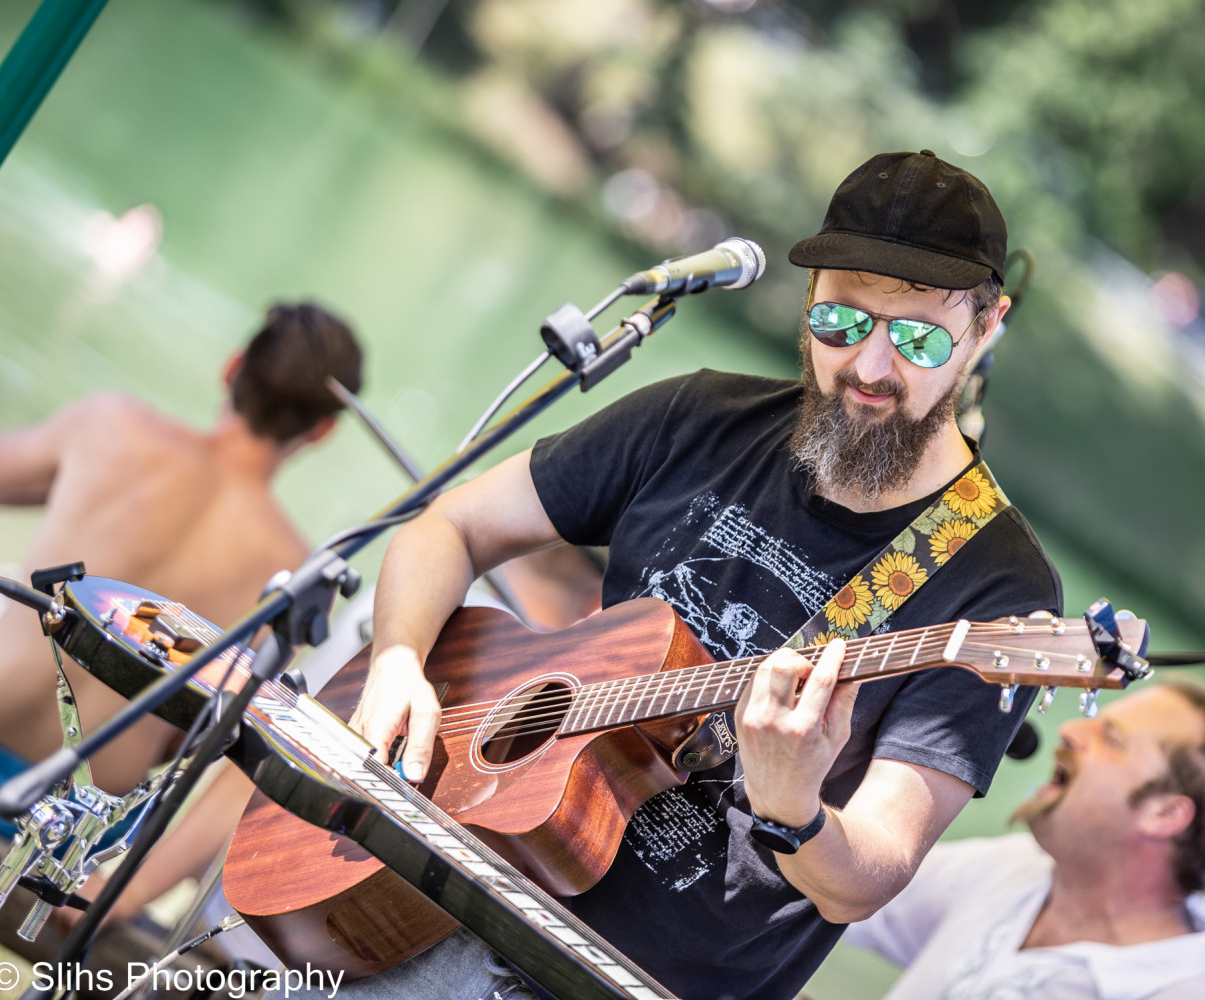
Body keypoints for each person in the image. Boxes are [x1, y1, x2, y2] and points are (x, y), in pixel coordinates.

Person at [341, 149, 1062, 1000]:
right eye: (842, 323)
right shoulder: (696, 416)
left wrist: (793, 806)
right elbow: (449, 525)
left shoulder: (998, 589)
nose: (870, 368)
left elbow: (870, 873)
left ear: (986, 325)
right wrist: (397, 660)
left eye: (915, 338)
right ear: (808, 298)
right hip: (458, 889)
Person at [0, 301, 364, 920]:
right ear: (323, 429)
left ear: (233, 366)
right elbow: (236, 751)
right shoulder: (291, 577)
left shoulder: (111, 427)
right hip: (75, 835)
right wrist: (129, 892)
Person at [846, 682, 1205, 1000]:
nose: (1071, 730)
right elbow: (834, 892)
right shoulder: (1020, 867)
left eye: (1112, 740)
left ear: (1164, 814)